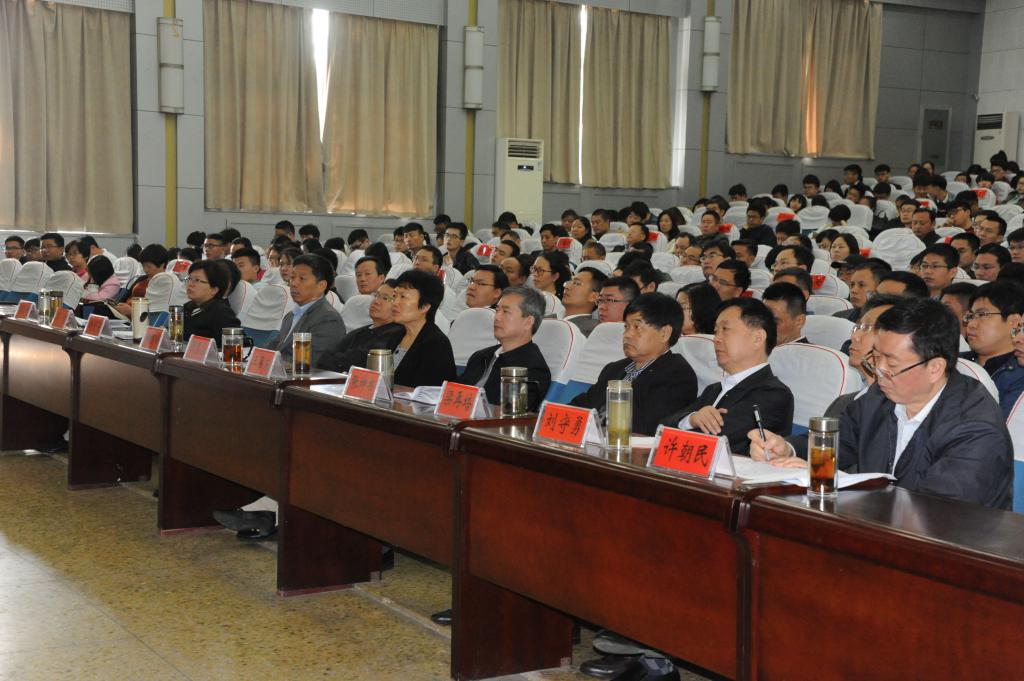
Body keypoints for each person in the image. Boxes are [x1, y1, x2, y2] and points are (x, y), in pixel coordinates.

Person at [751, 298, 1013, 510]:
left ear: (935, 368)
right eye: (876, 357)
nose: (878, 371)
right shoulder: (880, 396)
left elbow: (936, 510)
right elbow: (840, 442)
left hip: (951, 548)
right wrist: (786, 450)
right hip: (880, 529)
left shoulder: (977, 428)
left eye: (892, 364)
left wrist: (841, 482)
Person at [661, 298, 794, 455]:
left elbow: (716, 441)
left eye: (725, 329)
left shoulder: (774, 394)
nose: (716, 339)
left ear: (757, 338)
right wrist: (691, 419)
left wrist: (682, 429)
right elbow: (661, 428)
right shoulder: (714, 389)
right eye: (716, 331)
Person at [572, 293, 697, 435]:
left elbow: (648, 428)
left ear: (665, 333)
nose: (627, 335)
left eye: (637, 327)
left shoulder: (677, 375)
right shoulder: (614, 369)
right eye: (626, 327)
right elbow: (580, 406)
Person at [460, 286, 551, 410]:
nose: (497, 317)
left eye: (506, 312)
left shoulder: (532, 370)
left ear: (528, 322)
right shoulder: (481, 356)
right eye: (497, 310)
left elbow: (511, 414)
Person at [262, 255, 346, 367]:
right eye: (292, 277)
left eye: (302, 278)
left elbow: (307, 361)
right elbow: (273, 347)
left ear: (321, 286)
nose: (293, 283)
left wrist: (269, 362)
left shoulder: (328, 319)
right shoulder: (290, 316)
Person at [960, 281, 1024, 418]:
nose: (971, 324)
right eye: (971, 316)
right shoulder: (954, 361)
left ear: (1014, 322)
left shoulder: (1020, 374)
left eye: (982, 314)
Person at [318, 281, 404, 373]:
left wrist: (340, 360)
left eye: (385, 298)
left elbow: (359, 360)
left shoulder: (396, 334)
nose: (376, 301)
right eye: (376, 295)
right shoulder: (359, 331)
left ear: (397, 304)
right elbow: (324, 358)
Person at [391, 270, 456, 387]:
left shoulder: (437, 344)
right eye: (394, 296)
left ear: (425, 306)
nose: (395, 303)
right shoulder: (393, 334)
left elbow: (428, 392)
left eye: (403, 296)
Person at [182, 260, 241, 343]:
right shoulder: (187, 307)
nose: (190, 284)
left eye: (197, 280)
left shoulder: (222, 313)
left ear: (214, 290)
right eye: (190, 279)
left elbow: (235, 346)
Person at [113, 244, 169, 316]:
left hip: (140, 319)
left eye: (149, 266)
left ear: (162, 264)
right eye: (143, 266)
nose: (146, 270)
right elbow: (124, 298)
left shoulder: (166, 285)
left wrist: (132, 311)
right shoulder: (141, 279)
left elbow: (157, 312)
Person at [562, 267, 605, 336]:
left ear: (593, 297)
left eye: (577, 283)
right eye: (569, 282)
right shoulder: (551, 317)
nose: (567, 286)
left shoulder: (591, 331)